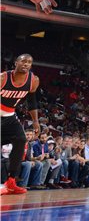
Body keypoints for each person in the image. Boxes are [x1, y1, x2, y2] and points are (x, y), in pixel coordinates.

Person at [0, 54, 42, 195]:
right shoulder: (3, 78)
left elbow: (32, 101)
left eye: (29, 62)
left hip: (10, 116)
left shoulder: (33, 80)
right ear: (16, 63)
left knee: (21, 140)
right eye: (23, 61)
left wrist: (35, 121)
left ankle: (11, 181)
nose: (26, 64)